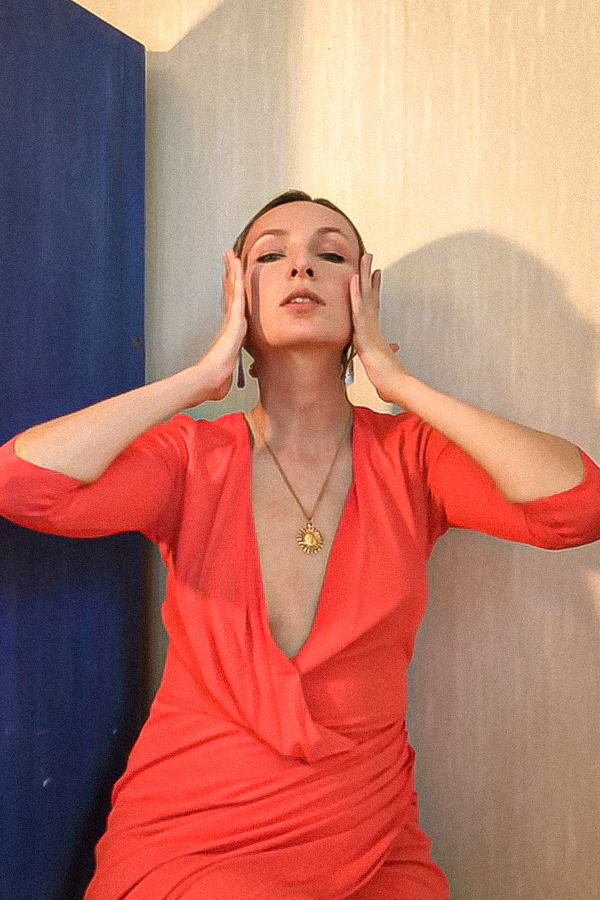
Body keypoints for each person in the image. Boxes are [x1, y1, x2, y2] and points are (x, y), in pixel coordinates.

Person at [1, 190, 599, 900]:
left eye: (330, 254)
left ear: (363, 294)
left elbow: (575, 508)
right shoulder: (190, 459)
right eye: (270, 255)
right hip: (196, 838)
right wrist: (197, 379)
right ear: (237, 293)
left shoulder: (413, 458)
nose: (302, 268)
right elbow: (23, 484)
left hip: (370, 839)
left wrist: (400, 383)